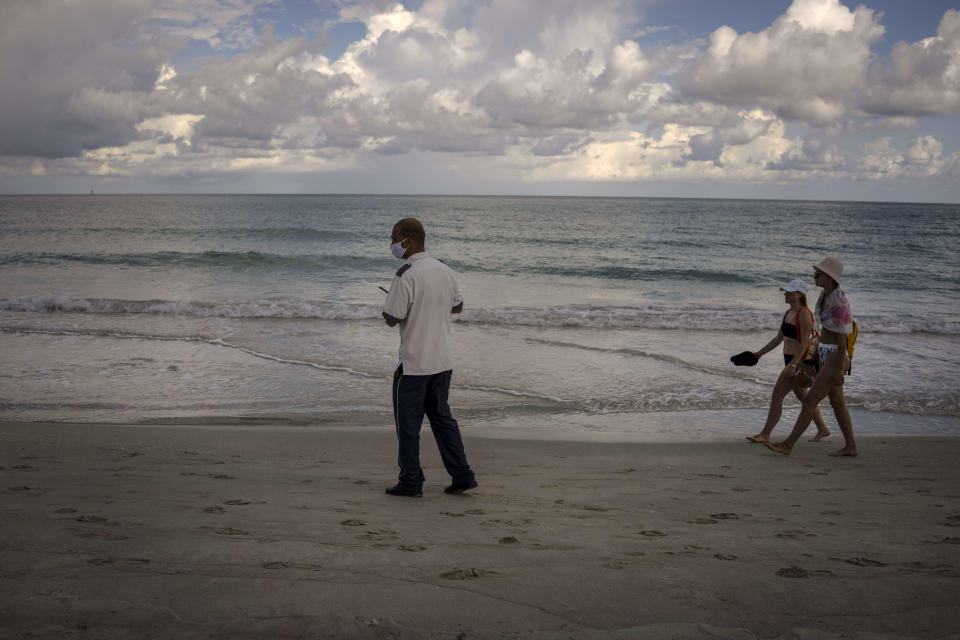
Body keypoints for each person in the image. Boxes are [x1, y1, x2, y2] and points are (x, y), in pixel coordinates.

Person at [381, 217, 478, 496]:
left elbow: (391, 318)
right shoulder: (444, 269)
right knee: (442, 419)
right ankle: (462, 474)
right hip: (442, 361)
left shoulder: (406, 274)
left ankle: (411, 480)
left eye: (394, 239)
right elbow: (457, 308)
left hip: (413, 364)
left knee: (408, 427)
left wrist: (393, 301)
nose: (392, 244)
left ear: (408, 241)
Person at [766, 257, 857, 457]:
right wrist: (815, 356)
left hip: (835, 357)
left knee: (809, 402)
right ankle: (851, 446)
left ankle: (788, 445)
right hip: (825, 354)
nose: (814, 276)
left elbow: (842, 337)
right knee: (837, 403)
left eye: (818, 273)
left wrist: (839, 368)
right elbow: (822, 332)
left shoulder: (839, 300)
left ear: (830, 277)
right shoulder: (825, 295)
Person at [746, 279, 831, 444]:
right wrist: (759, 354)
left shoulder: (804, 313)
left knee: (777, 394)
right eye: (785, 291)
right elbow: (779, 338)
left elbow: (806, 341)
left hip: (798, 362)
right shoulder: (788, 313)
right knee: (804, 398)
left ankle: (765, 434)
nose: (785, 294)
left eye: (789, 291)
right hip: (790, 361)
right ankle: (822, 428)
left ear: (799, 295)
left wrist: (793, 365)